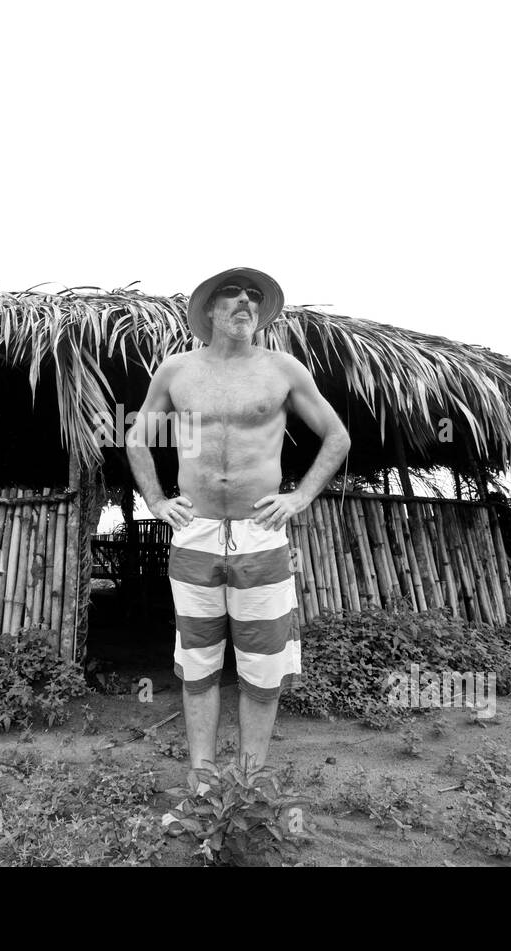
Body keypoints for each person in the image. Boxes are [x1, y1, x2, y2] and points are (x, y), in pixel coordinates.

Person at [125, 267, 350, 792]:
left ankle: (249, 783)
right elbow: (137, 438)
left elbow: (336, 437)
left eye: (254, 296)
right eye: (233, 293)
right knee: (198, 657)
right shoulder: (176, 371)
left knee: (263, 662)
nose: (245, 301)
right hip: (195, 532)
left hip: (260, 534)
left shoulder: (283, 370)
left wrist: (299, 497)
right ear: (209, 309)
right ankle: (202, 780)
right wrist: (156, 501)